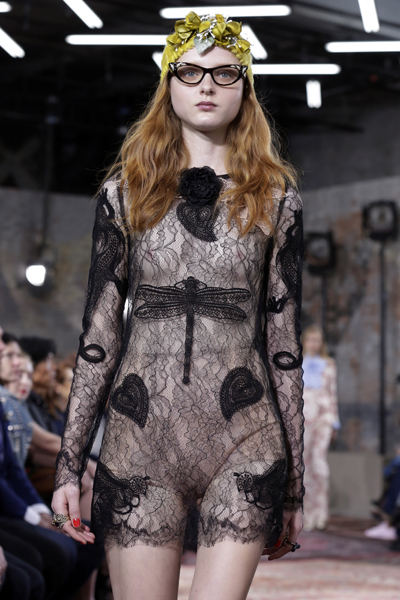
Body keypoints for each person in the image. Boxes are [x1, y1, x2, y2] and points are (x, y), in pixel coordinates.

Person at [52, 11, 305, 600]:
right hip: (141, 439)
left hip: (246, 439)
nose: (207, 85)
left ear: (245, 88)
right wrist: (69, 465)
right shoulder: (125, 193)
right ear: (169, 85)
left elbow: (284, 344)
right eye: (189, 72)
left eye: (224, 72)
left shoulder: (276, 199)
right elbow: (99, 337)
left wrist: (293, 487)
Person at [301, 324, 339, 531]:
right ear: (304, 342)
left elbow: (332, 393)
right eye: (310, 340)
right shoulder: (297, 363)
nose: (314, 344)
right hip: (303, 418)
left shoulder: (329, 364)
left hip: (324, 418)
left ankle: (322, 513)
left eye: (317, 340)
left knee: (320, 465)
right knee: (305, 466)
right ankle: (307, 514)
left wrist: (335, 421)